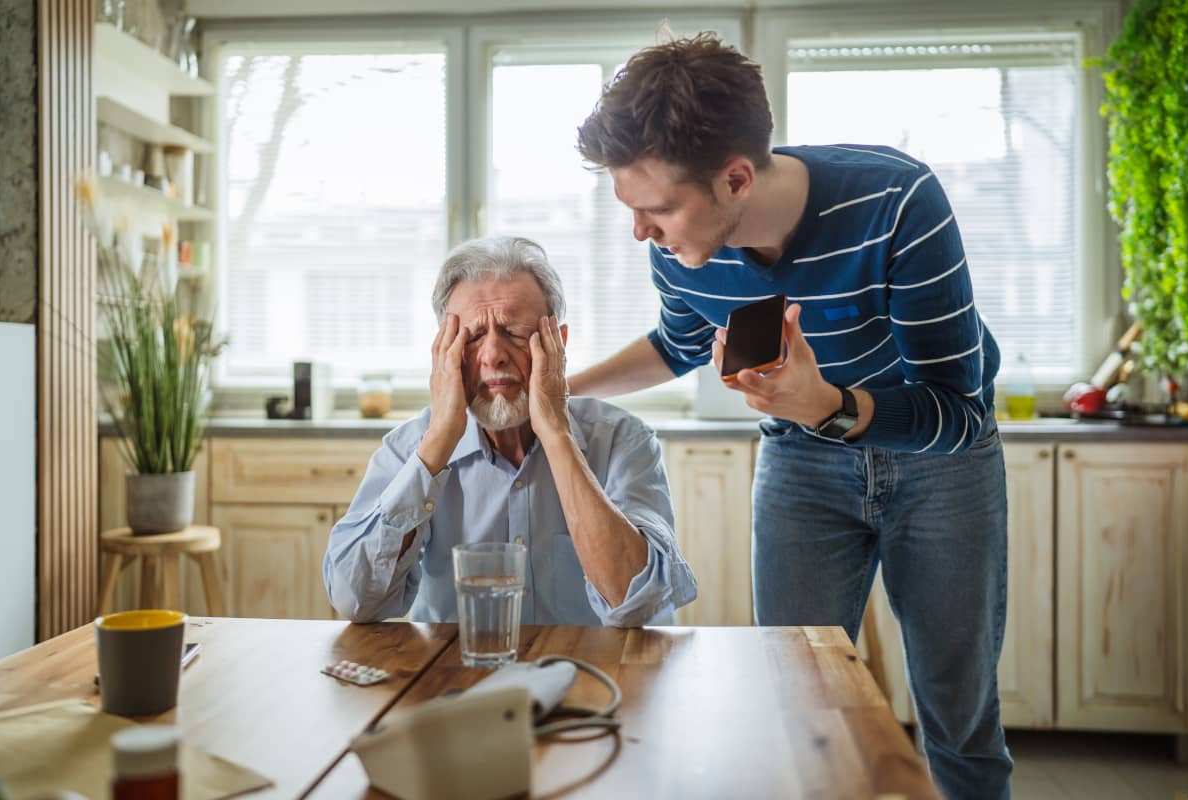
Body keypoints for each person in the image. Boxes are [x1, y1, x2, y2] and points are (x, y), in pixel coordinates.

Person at [568, 33, 1011, 798]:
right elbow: (680, 342)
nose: (642, 232)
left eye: (659, 209)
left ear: (736, 179)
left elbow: (959, 409)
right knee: (793, 690)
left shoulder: (898, 199)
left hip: (941, 467)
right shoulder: (678, 247)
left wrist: (831, 406)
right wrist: (562, 391)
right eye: (632, 209)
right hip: (802, 462)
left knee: (957, 709)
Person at [324, 235, 696, 628]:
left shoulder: (623, 440)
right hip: (456, 681)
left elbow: (640, 605)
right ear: (444, 351)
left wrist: (556, 433)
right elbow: (354, 600)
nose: (493, 354)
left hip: (594, 679)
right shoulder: (408, 449)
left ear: (558, 344)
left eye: (514, 333)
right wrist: (438, 441)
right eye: (472, 338)